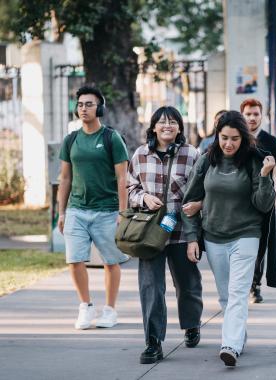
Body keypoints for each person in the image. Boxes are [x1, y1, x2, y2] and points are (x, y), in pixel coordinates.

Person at [182, 111, 276, 367]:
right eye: (224, 138)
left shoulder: (253, 161)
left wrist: (266, 175)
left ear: (243, 138)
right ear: (217, 136)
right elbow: (189, 202)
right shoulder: (205, 161)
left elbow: (264, 204)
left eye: (235, 138)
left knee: (237, 293)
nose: (229, 144)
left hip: (246, 234)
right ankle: (238, 335)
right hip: (214, 237)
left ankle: (230, 346)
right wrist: (192, 237)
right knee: (226, 295)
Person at [127, 106, 203, 365]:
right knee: (151, 288)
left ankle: (192, 324)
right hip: (150, 234)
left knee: (188, 284)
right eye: (161, 122)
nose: (166, 126)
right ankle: (153, 341)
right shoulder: (140, 155)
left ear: (180, 127)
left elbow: (200, 193)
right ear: (153, 127)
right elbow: (130, 187)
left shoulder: (192, 154)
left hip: (182, 231)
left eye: (172, 122)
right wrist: (143, 197)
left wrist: (195, 236)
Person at [58, 85, 129, 330]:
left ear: (100, 108)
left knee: (111, 261)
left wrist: (123, 211)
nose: (84, 108)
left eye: (89, 104)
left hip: (108, 210)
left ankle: (110, 310)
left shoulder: (111, 138)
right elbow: (65, 178)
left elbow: (123, 178)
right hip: (77, 209)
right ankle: (86, 306)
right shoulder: (71, 140)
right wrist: (62, 211)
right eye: (80, 104)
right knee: (74, 259)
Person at [240, 98, 276, 304]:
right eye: (248, 114)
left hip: (264, 200)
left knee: (261, 245)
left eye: (256, 114)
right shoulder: (236, 139)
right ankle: (241, 282)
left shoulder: (271, 141)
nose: (252, 118)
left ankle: (254, 285)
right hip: (240, 203)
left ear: (262, 116)